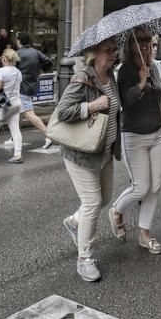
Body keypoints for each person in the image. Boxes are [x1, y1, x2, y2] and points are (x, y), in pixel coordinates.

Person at [56, 37, 122, 282]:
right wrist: (93, 106)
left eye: (115, 50)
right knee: (93, 202)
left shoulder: (111, 76)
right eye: (108, 50)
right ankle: (84, 259)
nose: (114, 54)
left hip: (104, 151)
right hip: (81, 153)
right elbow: (63, 112)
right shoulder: (82, 78)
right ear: (94, 53)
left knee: (104, 198)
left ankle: (75, 222)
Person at [111, 27, 161, 255]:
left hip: (158, 133)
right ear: (130, 45)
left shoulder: (154, 66)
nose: (145, 45)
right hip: (134, 136)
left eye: (149, 41)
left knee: (154, 187)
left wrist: (158, 86)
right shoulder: (125, 70)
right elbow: (124, 103)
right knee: (141, 186)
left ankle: (145, 234)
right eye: (140, 41)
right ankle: (116, 210)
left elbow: (159, 97)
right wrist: (141, 84)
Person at [16, 32, 53, 149]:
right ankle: (14, 137)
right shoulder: (36, 52)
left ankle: (49, 135)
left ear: (19, 41)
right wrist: (39, 70)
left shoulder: (17, 54)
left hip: (22, 87)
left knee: (28, 113)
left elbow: (11, 69)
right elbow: (49, 62)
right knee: (17, 113)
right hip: (32, 85)